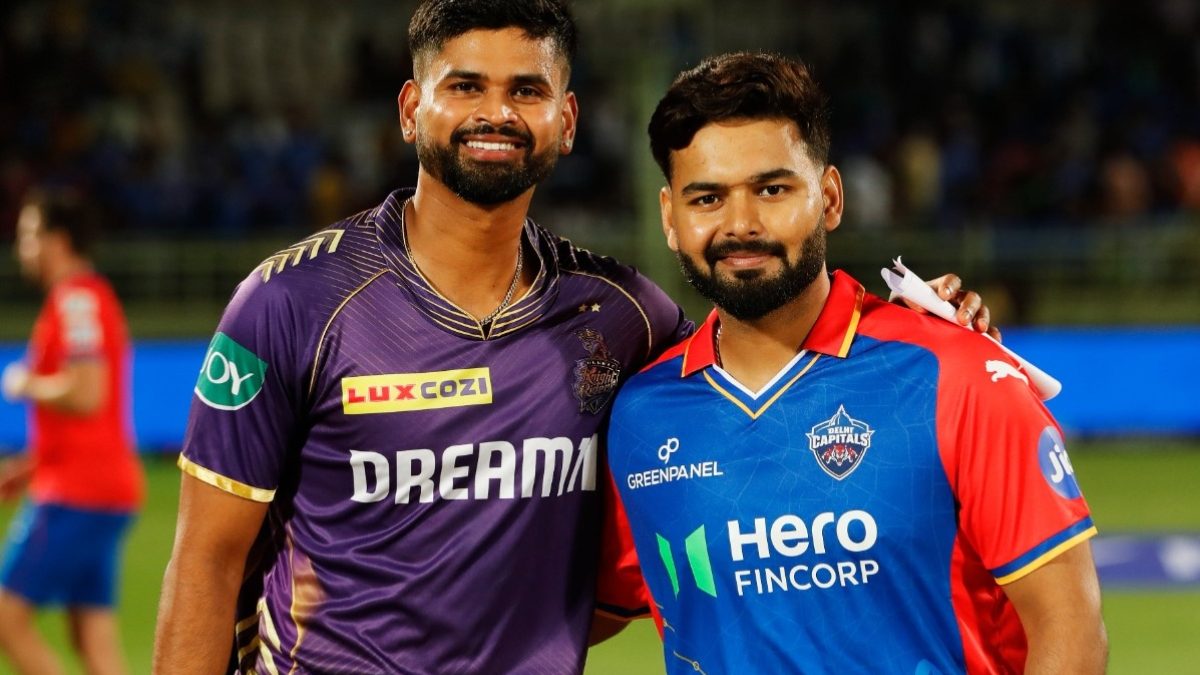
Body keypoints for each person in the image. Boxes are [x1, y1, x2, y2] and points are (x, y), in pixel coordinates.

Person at [153, 3, 993, 673]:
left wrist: (914, 326)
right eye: (466, 86)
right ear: (414, 109)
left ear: (567, 119)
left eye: (526, 90)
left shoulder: (622, 316)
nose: (496, 113)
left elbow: (765, 353)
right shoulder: (291, 302)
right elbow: (205, 564)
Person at [606, 52, 1107, 674]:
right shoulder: (640, 416)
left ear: (831, 197)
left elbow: (1071, 632)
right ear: (670, 219)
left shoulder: (956, 376)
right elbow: (566, 610)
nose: (740, 224)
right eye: (707, 198)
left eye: (772, 189)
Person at [0, 189, 145, 675]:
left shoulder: (77, 299)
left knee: (5, 619)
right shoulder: (83, 298)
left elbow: (87, 394)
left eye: (27, 235)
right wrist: (29, 466)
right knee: (93, 641)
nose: (21, 247)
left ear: (56, 241)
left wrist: (24, 382)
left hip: (76, 493)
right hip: (100, 487)